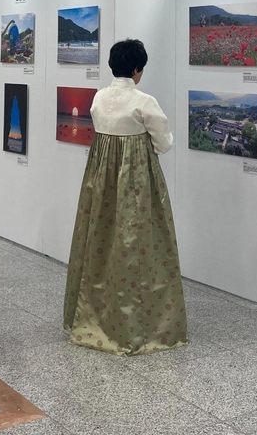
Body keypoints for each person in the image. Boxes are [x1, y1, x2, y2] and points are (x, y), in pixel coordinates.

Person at [64, 39, 187, 355]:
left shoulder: (99, 97)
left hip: (101, 178)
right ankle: (137, 323)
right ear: (137, 70)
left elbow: (97, 124)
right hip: (136, 180)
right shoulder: (144, 102)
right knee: (136, 242)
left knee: (99, 237)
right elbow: (165, 142)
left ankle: (94, 313)